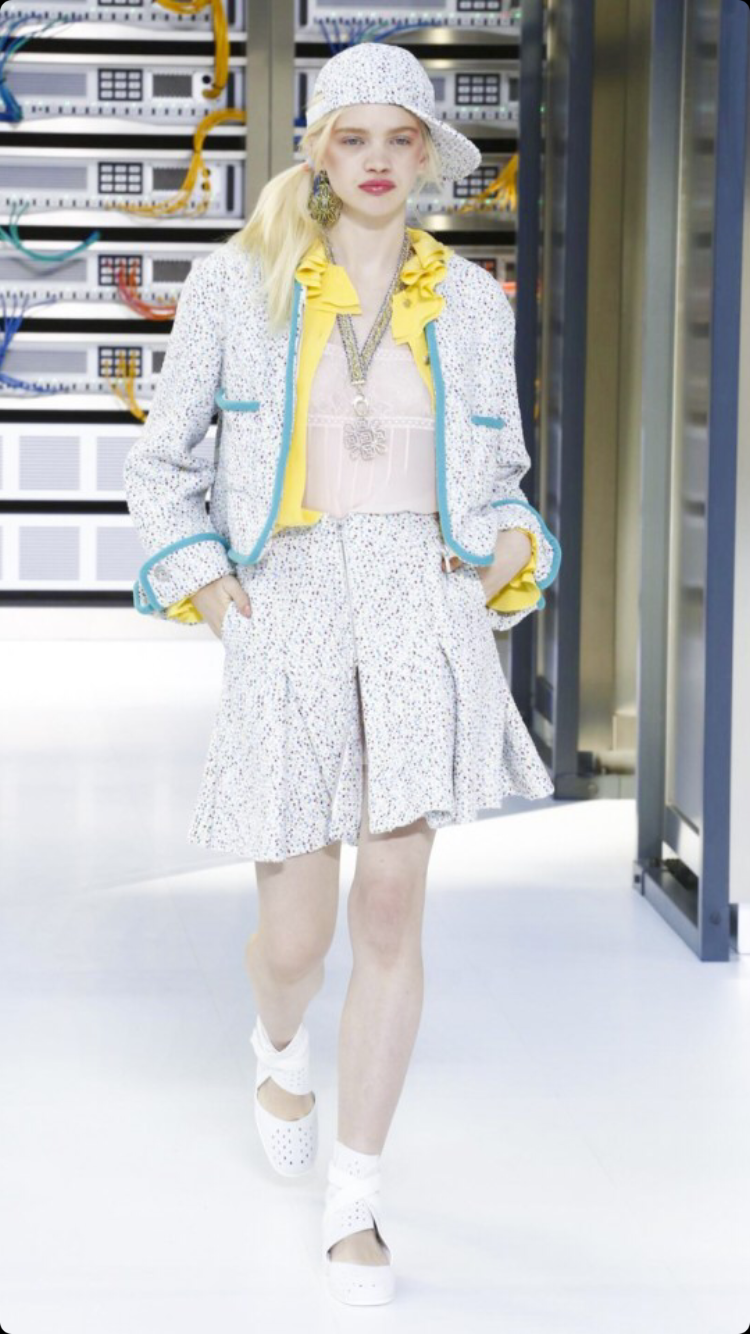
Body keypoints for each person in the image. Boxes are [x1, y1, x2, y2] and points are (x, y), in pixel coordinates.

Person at [124, 41, 561, 1307]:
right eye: (352, 138)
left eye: (399, 139)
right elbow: (162, 465)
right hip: (294, 599)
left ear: (428, 157)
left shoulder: (472, 302)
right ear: (319, 151)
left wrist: (497, 563)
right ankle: (276, 1040)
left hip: (422, 603)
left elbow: (504, 479)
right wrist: (220, 596)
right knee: (299, 936)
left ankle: (356, 1198)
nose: (376, 160)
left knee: (389, 910)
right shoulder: (240, 282)